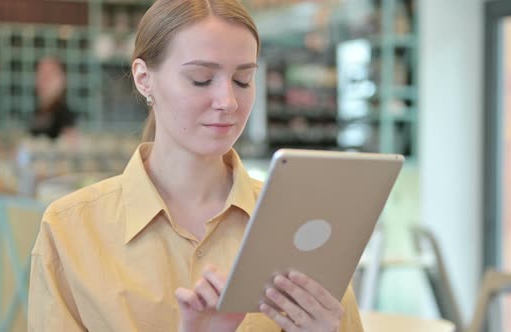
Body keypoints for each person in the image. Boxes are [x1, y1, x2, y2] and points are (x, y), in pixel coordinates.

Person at [27, 1, 364, 331]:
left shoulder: (298, 222)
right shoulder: (70, 230)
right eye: (201, 79)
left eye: (243, 80)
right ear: (144, 79)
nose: (228, 101)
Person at [29, 57, 77, 139]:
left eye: (50, 74)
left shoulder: (65, 115)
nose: (44, 79)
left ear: (62, 79)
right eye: (41, 73)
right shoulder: (37, 112)